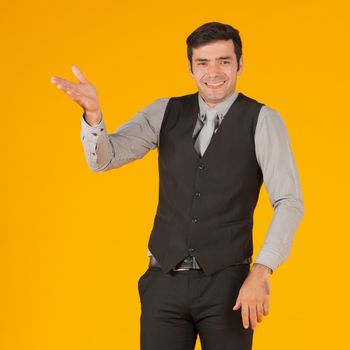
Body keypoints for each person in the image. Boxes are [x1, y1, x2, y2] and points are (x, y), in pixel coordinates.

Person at [51, 21, 304, 350]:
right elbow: (104, 160)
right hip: (163, 281)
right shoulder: (164, 111)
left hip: (227, 285)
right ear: (190, 68)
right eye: (202, 62)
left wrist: (261, 271)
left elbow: (289, 201)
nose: (213, 72)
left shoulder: (262, 119)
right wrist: (93, 115)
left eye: (223, 61)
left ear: (240, 64)